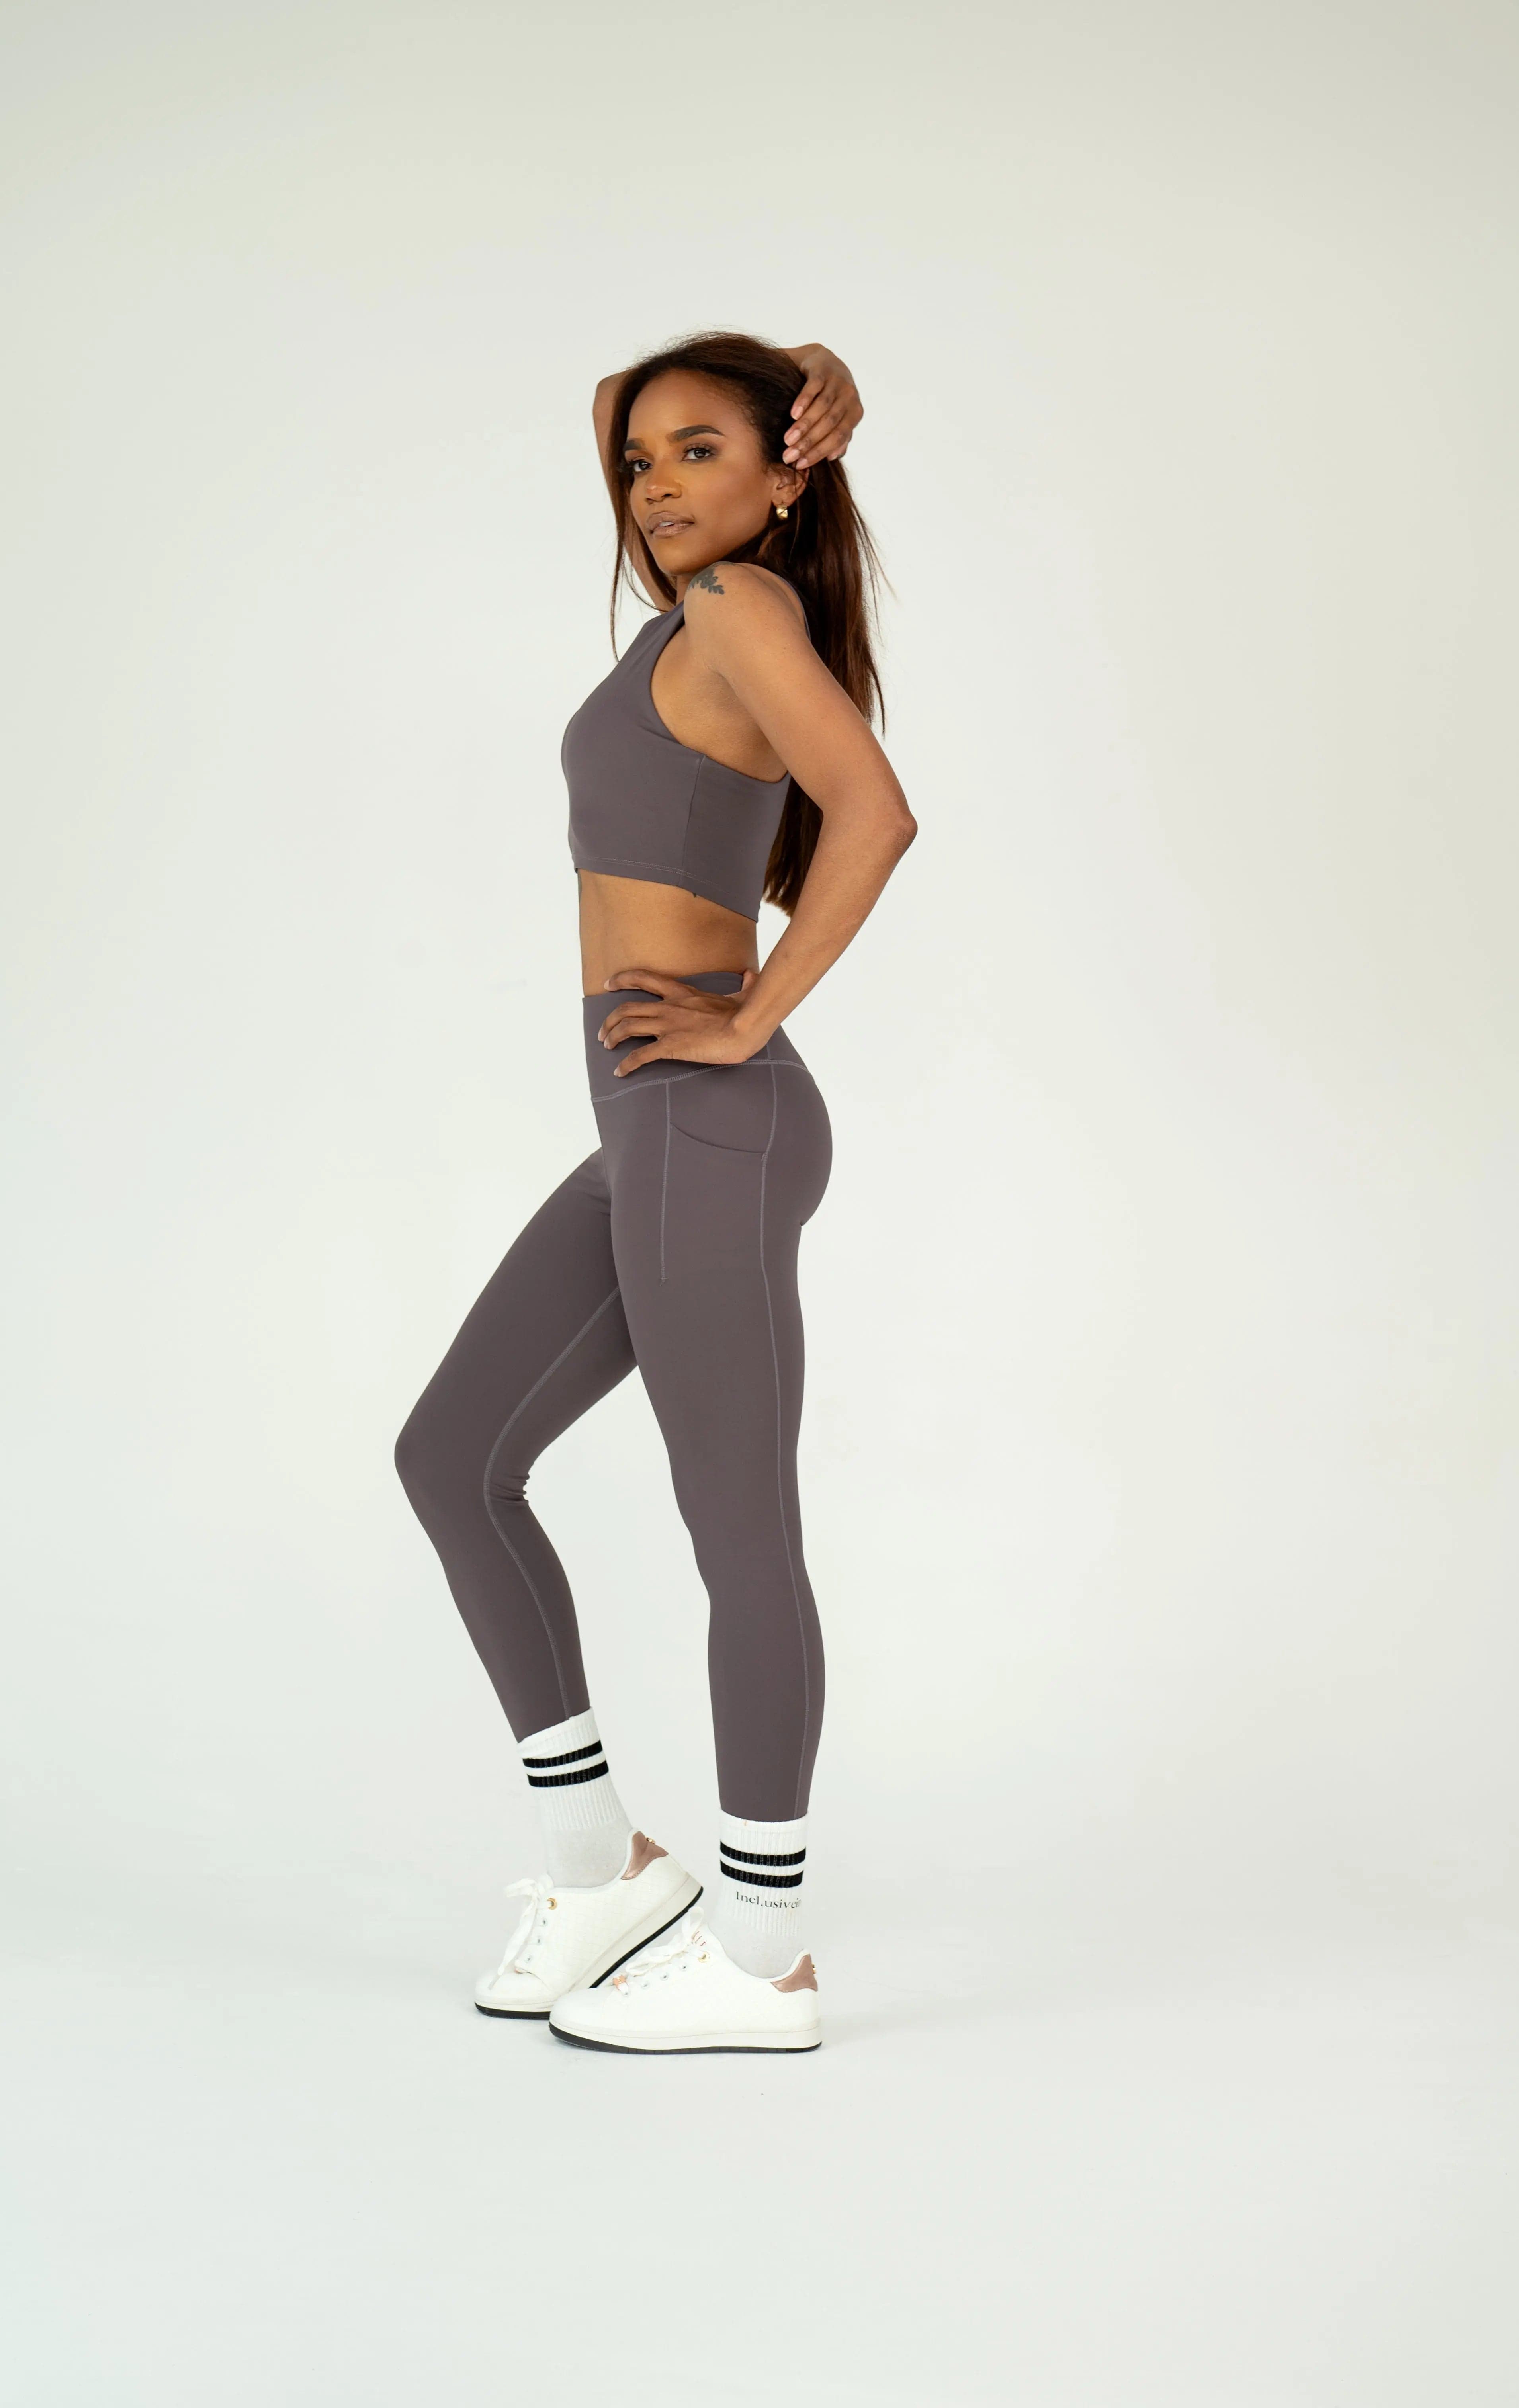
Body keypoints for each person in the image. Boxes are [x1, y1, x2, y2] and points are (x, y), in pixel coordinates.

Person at [394, 331, 916, 2054]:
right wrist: (807, 371)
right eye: (643, 463)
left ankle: (764, 1959)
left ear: (786, 479)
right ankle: (602, 1865)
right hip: (652, 1130)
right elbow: (610, 400)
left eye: (703, 451)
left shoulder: (745, 606)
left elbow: (875, 814)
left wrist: (751, 1018)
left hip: (712, 1121)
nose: (656, 482)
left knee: (735, 1526)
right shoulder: (690, 611)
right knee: (452, 1459)